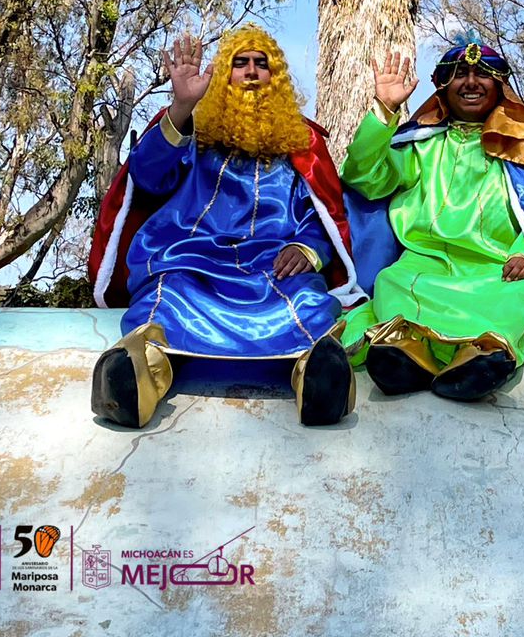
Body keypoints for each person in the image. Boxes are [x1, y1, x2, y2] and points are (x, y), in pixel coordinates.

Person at [87, 27, 362, 428]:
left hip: (271, 272)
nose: (250, 72)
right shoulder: (192, 134)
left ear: (275, 77)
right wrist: (181, 107)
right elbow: (147, 177)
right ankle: (137, 377)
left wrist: (306, 249)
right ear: (224, 75)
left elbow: (320, 217)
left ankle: (317, 380)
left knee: (307, 300)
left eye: (261, 64)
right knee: (166, 298)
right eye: (240, 63)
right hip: (192, 263)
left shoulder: (300, 149)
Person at [337, 33, 524, 403]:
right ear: (442, 86)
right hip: (424, 263)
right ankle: (405, 353)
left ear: (500, 87)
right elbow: (365, 177)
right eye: (458, 74)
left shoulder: (523, 151)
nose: (470, 82)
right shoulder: (418, 144)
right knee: (392, 281)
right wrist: (384, 111)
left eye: (482, 73)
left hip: (496, 268)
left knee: (523, 294)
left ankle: (482, 357)